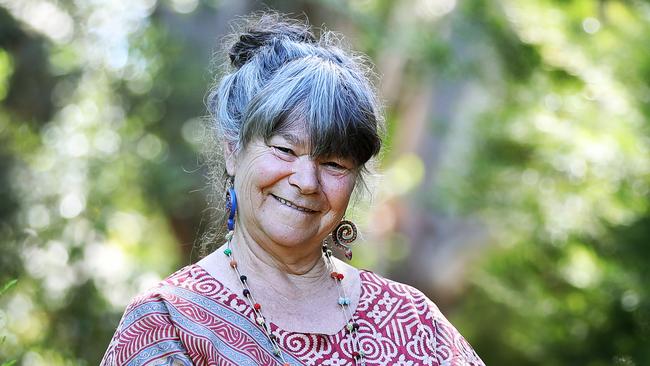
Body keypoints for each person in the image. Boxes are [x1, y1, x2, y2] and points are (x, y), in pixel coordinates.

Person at [101, 13, 485, 366]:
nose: (306, 181)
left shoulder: (412, 321)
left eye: (333, 163)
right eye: (285, 149)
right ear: (233, 151)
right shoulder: (168, 326)